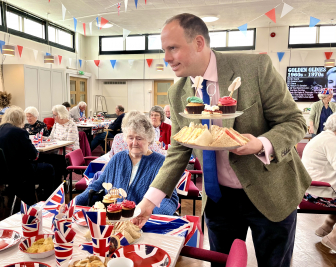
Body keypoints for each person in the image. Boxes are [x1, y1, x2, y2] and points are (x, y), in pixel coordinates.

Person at [133, 13, 311, 266]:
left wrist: (261, 144)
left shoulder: (254, 69)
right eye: (164, 50)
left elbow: (295, 121)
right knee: (223, 263)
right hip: (219, 199)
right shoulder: (178, 92)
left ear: (198, 43)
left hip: (270, 190)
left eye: (173, 48)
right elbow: (178, 151)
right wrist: (149, 202)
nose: (166, 58)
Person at [75, 114, 178, 215]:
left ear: (149, 139)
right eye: (130, 138)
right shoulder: (117, 158)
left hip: (143, 223)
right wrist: (75, 202)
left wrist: (152, 216)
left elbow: (170, 199)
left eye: (139, 138)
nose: (134, 143)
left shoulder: (161, 163)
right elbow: (97, 185)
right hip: (115, 221)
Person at [0, 106, 56, 204]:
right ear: (19, 119)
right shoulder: (19, 132)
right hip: (19, 173)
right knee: (49, 168)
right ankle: (46, 201)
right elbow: (33, 155)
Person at [302, 114, 336, 249]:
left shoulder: (323, 138)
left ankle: (326, 226)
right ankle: (333, 238)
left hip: (311, 192)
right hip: (321, 195)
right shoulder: (332, 142)